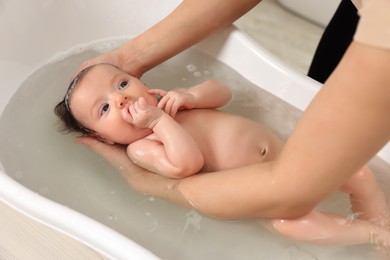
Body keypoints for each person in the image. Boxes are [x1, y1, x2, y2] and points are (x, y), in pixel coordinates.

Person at [55, 63, 389, 247]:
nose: (121, 100)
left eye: (122, 85)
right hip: (259, 197)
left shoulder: (169, 100)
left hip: (291, 158)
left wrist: (192, 95)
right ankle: (370, 234)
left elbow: (223, 93)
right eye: (104, 108)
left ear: (139, 80)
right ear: (104, 138)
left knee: (357, 173)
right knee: (290, 225)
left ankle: (379, 217)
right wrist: (159, 121)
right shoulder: (143, 146)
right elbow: (187, 164)